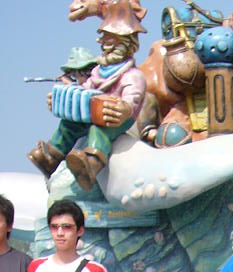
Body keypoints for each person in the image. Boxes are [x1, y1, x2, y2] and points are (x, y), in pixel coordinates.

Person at [27, 1, 147, 193]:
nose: (102, 42)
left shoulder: (132, 75)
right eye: (103, 37)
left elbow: (132, 99)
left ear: (124, 42)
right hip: (94, 112)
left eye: (108, 38)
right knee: (69, 124)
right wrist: (63, 100)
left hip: (115, 119)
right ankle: (51, 157)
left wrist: (124, 108)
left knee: (99, 130)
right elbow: (86, 90)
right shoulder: (99, 71)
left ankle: (91, 164)